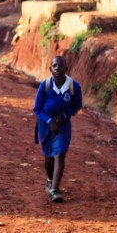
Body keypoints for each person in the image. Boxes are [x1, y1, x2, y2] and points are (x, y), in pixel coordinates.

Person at [33, 56, 82, 203]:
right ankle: (49, 179)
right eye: (54, 66)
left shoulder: (74, 86)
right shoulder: (45, 86)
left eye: (61, 66)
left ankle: (54, 190)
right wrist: (49, 121)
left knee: (59, 154)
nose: (58, 69)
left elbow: (77, 106)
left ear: (66, 68)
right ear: (50, 69)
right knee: (48, 158)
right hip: (45, 126)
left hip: (63, 127)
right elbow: (37, 108)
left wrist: (64, 115)